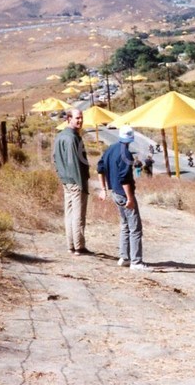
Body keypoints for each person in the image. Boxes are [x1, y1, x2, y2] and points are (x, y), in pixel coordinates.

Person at [98, 125, 146, 270]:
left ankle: (124, 257)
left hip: (115, 193)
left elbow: (100, 168)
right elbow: (124, 178)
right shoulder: (126, 154)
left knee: (125, 226)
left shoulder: (110, 149)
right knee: (135, 228)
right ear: (131, 138)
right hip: (124, 194)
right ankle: (136, 262)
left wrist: (103, 189)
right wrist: (130, 198)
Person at [52, 108, 90, 255]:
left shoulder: (61, 136)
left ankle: (70, 245)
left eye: (81, 118)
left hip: (66, 181)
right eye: (77, 118)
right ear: (68, 118)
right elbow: (74, 162)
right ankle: (79, 246)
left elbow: (55, 158)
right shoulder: (72, 138)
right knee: (78, 216)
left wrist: (62, 176)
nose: (80, 121)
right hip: (75, 181)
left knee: (69, 214)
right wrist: (82, 184)